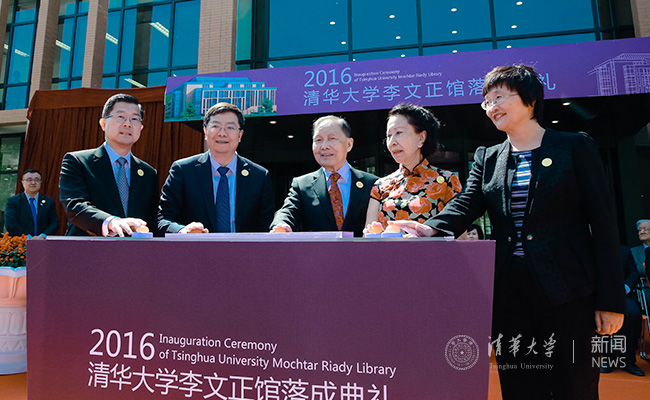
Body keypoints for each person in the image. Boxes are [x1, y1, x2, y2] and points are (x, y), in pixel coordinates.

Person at [393, 65, 625, 399]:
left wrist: (611, 300)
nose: (492, 107)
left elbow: (604, 225)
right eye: (487, 101)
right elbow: (467, 203)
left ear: (530, 99)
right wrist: (429, 227)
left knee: (575, 385)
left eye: (499, 97)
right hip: (509, 293)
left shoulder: (573, 146)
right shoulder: (488, 157)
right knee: (519, 385)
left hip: (568, 291)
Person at [158, 102, 273, 234]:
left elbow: (266, 227)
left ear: (240, 135)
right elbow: (163, 219)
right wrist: (183, 231)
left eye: (230, 127)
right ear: (205, 132)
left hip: (242, 247)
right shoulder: (183, 170)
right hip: (196, 246)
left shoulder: (259, 176)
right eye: (215, 126)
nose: (222, 133)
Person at [59, 93, 159, 237]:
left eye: (134, 119)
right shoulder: (78, 161)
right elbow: (74, 205)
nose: (128, 124)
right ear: (103, 124)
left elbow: (153, 217)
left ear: (141, 128)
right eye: (121, 117)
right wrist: (110, 222)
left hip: (134, 248)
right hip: (89, 247)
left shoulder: (148, 173)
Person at [270, 116, 377, 237]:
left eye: (332, 138)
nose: (324, 146)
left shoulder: (372, 183)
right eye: (318, 140)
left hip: (360, 249)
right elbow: (287, 211)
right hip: (318, 249)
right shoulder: (302, 185)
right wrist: (281, 224)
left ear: (349, 144)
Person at [364, 103, 461, 232]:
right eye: (388, 135)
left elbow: (459, 234)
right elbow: (368, 235)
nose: (392, 142)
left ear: (421, 138)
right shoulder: (381, 185)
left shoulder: (447, 181)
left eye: (399, 132)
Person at [600, 245, 644, 376]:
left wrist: (625, 288)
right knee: (601, 315)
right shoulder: (590, 250)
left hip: (624, 294)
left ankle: (628, 360)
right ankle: (608, 358)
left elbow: (633, 274)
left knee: (634, 314)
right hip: (601, 295)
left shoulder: (625, 251)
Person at [5, 169, 59, 236]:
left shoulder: (49, 201)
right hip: (21, 241)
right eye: (29, 180)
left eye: (36, 180)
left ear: (40, 182)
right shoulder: (13, 201)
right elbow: (10, 224)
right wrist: (27, 237)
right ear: (23, 182)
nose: (33, 183)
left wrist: (43, 236)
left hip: (43, 240)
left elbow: (54, 223)